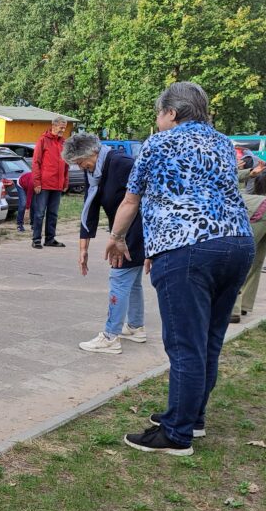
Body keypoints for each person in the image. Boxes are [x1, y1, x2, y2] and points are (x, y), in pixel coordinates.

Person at [105, 82, 253, 456]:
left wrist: (116, 237)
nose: (157, 120)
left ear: (171, 113)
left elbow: (131, 198)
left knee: (185, 344)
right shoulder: (222, 142)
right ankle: (191, 416)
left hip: (187, 248)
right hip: (237, 243)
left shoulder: (157, 143)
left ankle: (176, 434)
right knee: (209, 340)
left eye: (159, 113)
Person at [62, 133, 147, 354]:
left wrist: (123, 238)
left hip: (135, 232)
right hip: (124, 231)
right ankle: (136, 327)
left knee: (118, 278)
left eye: (80, 162)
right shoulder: (96, 172)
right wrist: (83, 249)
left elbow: (146, 198)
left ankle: (110, 337)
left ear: (92, 152)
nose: (80, 167)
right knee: (133, 280)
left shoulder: (122, 164)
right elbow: (89, 208)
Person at [231, 192, 266, 322]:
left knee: (237, 259)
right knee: (255, 259)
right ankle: (245, 304)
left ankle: (233, 310)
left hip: (257, 211)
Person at [30, 117, 69, 249]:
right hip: (44, 184)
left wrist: (65, 181)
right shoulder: (42, 140)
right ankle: (36, 239)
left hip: (58, 184)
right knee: (40, 212)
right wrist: (36, 182)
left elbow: (66, 164)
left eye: (64, 128)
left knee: (53, 213)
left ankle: (50, 239)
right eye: (61, 127)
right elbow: (36, 162)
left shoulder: (64, 142)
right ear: (53, 125)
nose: (62, 130)